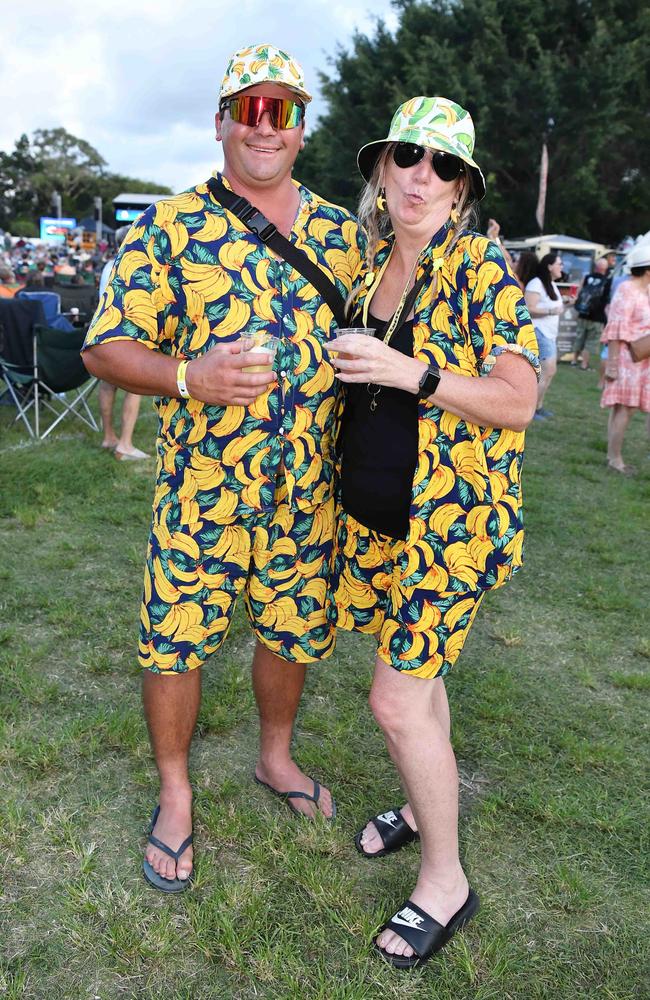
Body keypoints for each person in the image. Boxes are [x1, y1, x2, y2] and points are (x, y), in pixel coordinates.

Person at [82, 43, 365, 892]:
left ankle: (274, 757)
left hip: (309, 492)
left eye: (283, 110)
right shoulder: (170, 226)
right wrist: (186, 376)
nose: (266, 126)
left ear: (304, 129)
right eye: (250, 108)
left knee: (291, 632)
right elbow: (105, 345)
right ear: (221, 123)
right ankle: (175, 793)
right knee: (176, 640)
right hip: (203, 491)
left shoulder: (344, 238)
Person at [325, 95, 539, 970]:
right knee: (422, 680)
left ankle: (445, 880)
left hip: (449, 528)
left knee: (394, 699)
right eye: (408, 156)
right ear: (381, 166)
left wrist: (413, 372)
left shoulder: (483, 269)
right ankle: (421, 811)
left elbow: (519, 402)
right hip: (379, 523)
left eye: (443, 166)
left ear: (463, 189)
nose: (421, 177)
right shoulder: (370, 261)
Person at [97, 226, 150, 460]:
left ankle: (109, 436)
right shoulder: (133, 263)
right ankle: (125, 445)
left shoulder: (109, 265)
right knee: (134, 388)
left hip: (103, 331)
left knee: (107, 385)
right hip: (128, 332)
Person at [600, 241, 650, 474]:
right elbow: (616, 327)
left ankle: (612, 455)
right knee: (624, 408)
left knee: (623, 409)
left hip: (640, 360)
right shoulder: (627, 290)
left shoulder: (644, 291)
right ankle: (615, 458)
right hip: (627, 358)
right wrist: (611, 365)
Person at [524, 251, 564, 419]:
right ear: (549, 266)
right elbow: (528, 308)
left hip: (549, 334)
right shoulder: (536, 283)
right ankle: (531, 410)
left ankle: (538, 407)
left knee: (549, 372)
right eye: (559, 263)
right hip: (540, 332)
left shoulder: (551, 284)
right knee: (547, 371)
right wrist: (550, 310)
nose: (562, 267)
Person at [572, 256, 610, 370]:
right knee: (591, 341)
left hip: (583, 313)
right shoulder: (607, 281)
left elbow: (578, 294)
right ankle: (584, 364)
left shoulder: (587, 277)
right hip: (597, 316)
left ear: (596, 267)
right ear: (605, 268)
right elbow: (607, 300)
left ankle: (574, 360)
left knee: (579, 338)